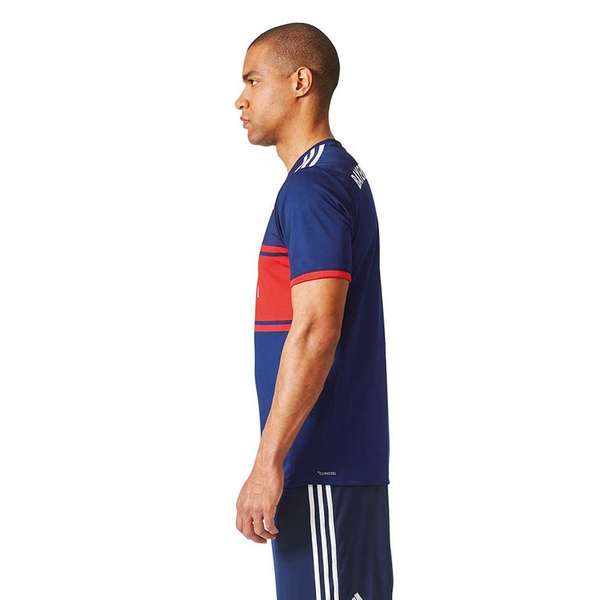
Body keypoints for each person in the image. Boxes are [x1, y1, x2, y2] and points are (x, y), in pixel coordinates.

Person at [234, 22, 393, 599]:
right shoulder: (337, 174)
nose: (240, 100)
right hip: (340, 470)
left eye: (253, 80)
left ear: (300, 82)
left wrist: (268, 463)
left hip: (321, 467)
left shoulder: (312, 188)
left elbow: (317, 329)